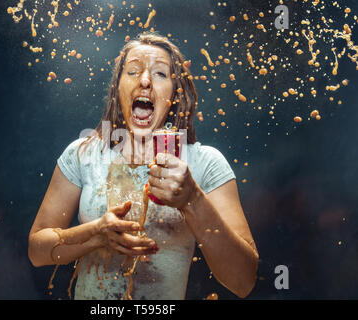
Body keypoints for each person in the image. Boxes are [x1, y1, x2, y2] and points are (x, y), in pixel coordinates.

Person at [28, 32, 259, 300]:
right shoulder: (83, 155)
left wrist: (192, 198)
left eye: (160, 74)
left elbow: (243, 281)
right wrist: (97, 234)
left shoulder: (205, 163)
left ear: (175, 93)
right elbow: (37, 252)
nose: (145, 81)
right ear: (118, 87)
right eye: (133, 71)